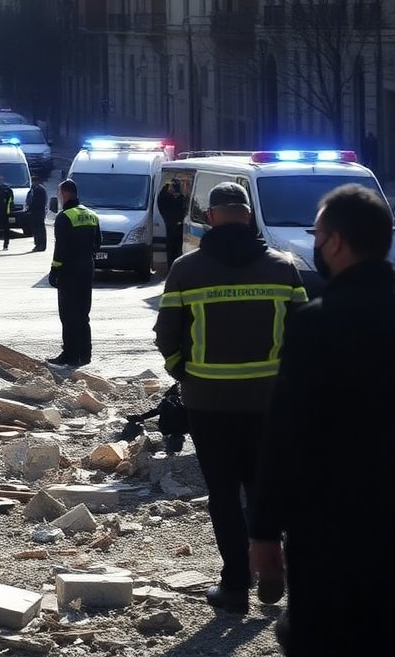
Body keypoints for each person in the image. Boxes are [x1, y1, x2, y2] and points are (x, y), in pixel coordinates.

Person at [250, 185, 394, 652]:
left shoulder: (318, 323)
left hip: (334, 525)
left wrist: (264, 531)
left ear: (334, 242)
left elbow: (286, 433)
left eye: (316, 234)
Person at [153, 181, 306, 613]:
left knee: (222, 493)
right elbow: (305, 334)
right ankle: (273, 565)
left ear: (211, 217)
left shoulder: (186, 269)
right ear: (249, 215)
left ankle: (235, 585)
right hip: (268, 401)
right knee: (265, 488)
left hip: (208, 401)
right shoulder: (283, 267)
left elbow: (166, 335)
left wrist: (183, 372)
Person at [48, 179, 100, 366]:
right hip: (87, 269)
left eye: (59, 193)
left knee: (68, 314)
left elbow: (60, 248)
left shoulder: (64, 217)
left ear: (65, 194)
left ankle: (70, 355)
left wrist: (54, 271)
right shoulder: (92, 215)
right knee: (83, 313)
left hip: (69, 271)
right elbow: (98, 244)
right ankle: (85, 355)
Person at [157, 179, 188, 266]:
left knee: (178, 251)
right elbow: (176, 205)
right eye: (173, 187)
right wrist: (182, 195)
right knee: (172, 251)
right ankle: (172, 268)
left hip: (178, 227)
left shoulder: (171, 197)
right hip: (171, 227)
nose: (173, 190)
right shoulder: (165, 198)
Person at [26, 175, 48, 252]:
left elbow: (36, 201)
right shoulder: (35, 189)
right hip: (36, 211)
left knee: (39, 229)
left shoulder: (39, 189)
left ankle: (40, 245)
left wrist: (31, 207)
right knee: (36, 229)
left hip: (38, 211)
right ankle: (39, 244)